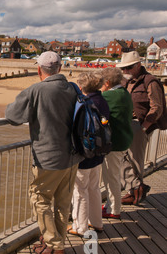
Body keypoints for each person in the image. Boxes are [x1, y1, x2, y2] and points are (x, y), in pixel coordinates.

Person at [5, 51, 83, 254]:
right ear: (60, 68)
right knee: (62, 202)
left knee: (39, 198)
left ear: (39, 69)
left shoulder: (36, 90)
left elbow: (12, 116)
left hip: (48, 157)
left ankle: (55, 243)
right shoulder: (73, 88)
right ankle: (56, 239)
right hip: (73, 155)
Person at [117, 51, 165, 205]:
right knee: (120, 157)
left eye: (128, 67)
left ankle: (134, 192)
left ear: (138, 65)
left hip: (138, 124)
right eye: (123, 68)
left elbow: (157, 108)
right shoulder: (125, 81)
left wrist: (143, 127)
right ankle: (137, 188)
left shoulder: (150, 81)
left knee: (135, 160)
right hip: (124, 124)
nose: (125, 71)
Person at [68, 71, 110, 237]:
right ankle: (96, 222)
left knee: (80, 191)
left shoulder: (85, 102)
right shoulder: (102, 100)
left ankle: (79, 227)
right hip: (99, 152)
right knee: (94, 188)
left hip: (85, 154)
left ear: (80, 86)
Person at [100, 67, 134, 219]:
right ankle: (110, 205)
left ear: (107, 82)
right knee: (113, 176)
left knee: (111, 177)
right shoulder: (125, 93)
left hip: (115, 143)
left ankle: (114, 210)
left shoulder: (109, 96)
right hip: (124, 139)